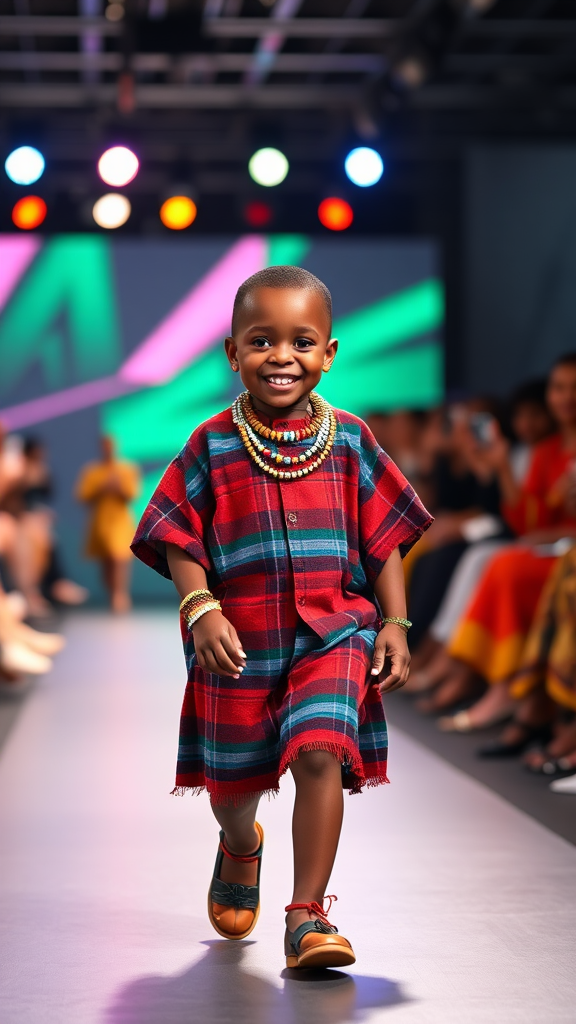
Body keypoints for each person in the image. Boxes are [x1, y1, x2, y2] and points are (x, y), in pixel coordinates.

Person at [131, 266, 432, 969]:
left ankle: (306, 917)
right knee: (234, 787)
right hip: (240, 640)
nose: (281, 357)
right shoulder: (212, 443)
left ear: (329, 352)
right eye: (261, 341)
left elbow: (383, 534)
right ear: (232, 353)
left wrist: (394, 622)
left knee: (322, 748)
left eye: (302, 342)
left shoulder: (351, 438)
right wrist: (199, 607)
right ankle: (241, 843)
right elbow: (177, 531)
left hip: (334, 631)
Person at [421, 354, 576, 732]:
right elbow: (528, 521)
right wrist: (503, 466)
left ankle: (502, 684)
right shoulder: (546, 450)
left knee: (500, 562)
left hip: (561, 552)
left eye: (573, 389)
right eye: (559, 387)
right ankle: (483, 676)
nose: (565, 397)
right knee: (491, 560)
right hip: (546, 549)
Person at [76, 437, 140, 613]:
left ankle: (120, 594)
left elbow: (132, 494)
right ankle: (112, 591)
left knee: (119, 557)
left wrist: (118, 486)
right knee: (106, 561)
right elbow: (83, 496)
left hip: (120, 520)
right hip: (100, 521)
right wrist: (102, 487)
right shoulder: (92, 471)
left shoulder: (126, 469)